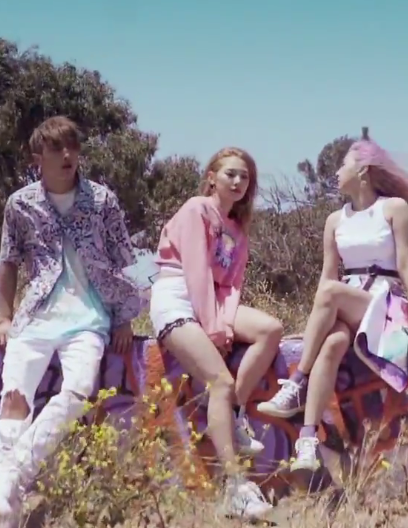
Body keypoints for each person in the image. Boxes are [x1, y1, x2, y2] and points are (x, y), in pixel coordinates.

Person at [257, 129, 408, 474]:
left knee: (331, 292)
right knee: (332, 343)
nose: (337, 173)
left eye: (343, 165)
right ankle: (307, 440)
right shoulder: (335, 220)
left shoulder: (394, 209)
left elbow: (405, 263)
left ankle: (297, 382)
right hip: (347, 302)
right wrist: (314, 328)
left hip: (384, 304)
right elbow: (328, 274)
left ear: (363, 170)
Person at [0, 116, 142, 522]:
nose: (68, 155)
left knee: (78, 391)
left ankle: (10, 476)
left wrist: (123, 317)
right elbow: (8, 261)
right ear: (37, 157)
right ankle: (6, 505)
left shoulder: (102, 200)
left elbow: (121, 261)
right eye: (57, 148)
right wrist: (4, 317)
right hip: (36, 317)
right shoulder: (20, 204)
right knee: (13, 399)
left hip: (89, 317)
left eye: (73, 146)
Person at [149, 147, 283, 520]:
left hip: (214, 301)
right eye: (230, 174)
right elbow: (196, 272)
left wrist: (222, 322)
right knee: (219, 383)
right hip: (178, 296)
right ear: (212, 177)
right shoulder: (197, 209)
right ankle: (235, 487)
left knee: (270, 329)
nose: (238, 182)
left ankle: (233, 414)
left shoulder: (238, 230)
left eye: (245, 177)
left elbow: (232, 285)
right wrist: (213, 329)